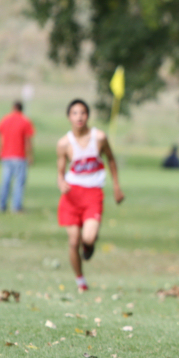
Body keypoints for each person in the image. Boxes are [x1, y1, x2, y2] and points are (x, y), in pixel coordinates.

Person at [56, 99, 125, 291]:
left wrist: (117, 187)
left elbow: (111, 160)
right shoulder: (63, 143)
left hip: (93, 194)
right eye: (75, 113)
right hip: (71, 195)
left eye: (83, 112)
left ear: (88, 115)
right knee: (73, 241)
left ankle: (89, 245)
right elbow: (60, 171)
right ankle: (80, 281)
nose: (79, 117)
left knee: (88, 237)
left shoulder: (99, 138)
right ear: (69, 117)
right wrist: (60, 182)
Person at [0, 101, 35, 212]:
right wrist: (30, 155)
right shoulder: (25, 121)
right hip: (19, 156)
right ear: (22, 109)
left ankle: (1, 205)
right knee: (19, 183)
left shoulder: (5, 119)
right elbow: (28, 140)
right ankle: (16, 207)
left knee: (5, 181)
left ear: (13, 108)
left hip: (6, 155)